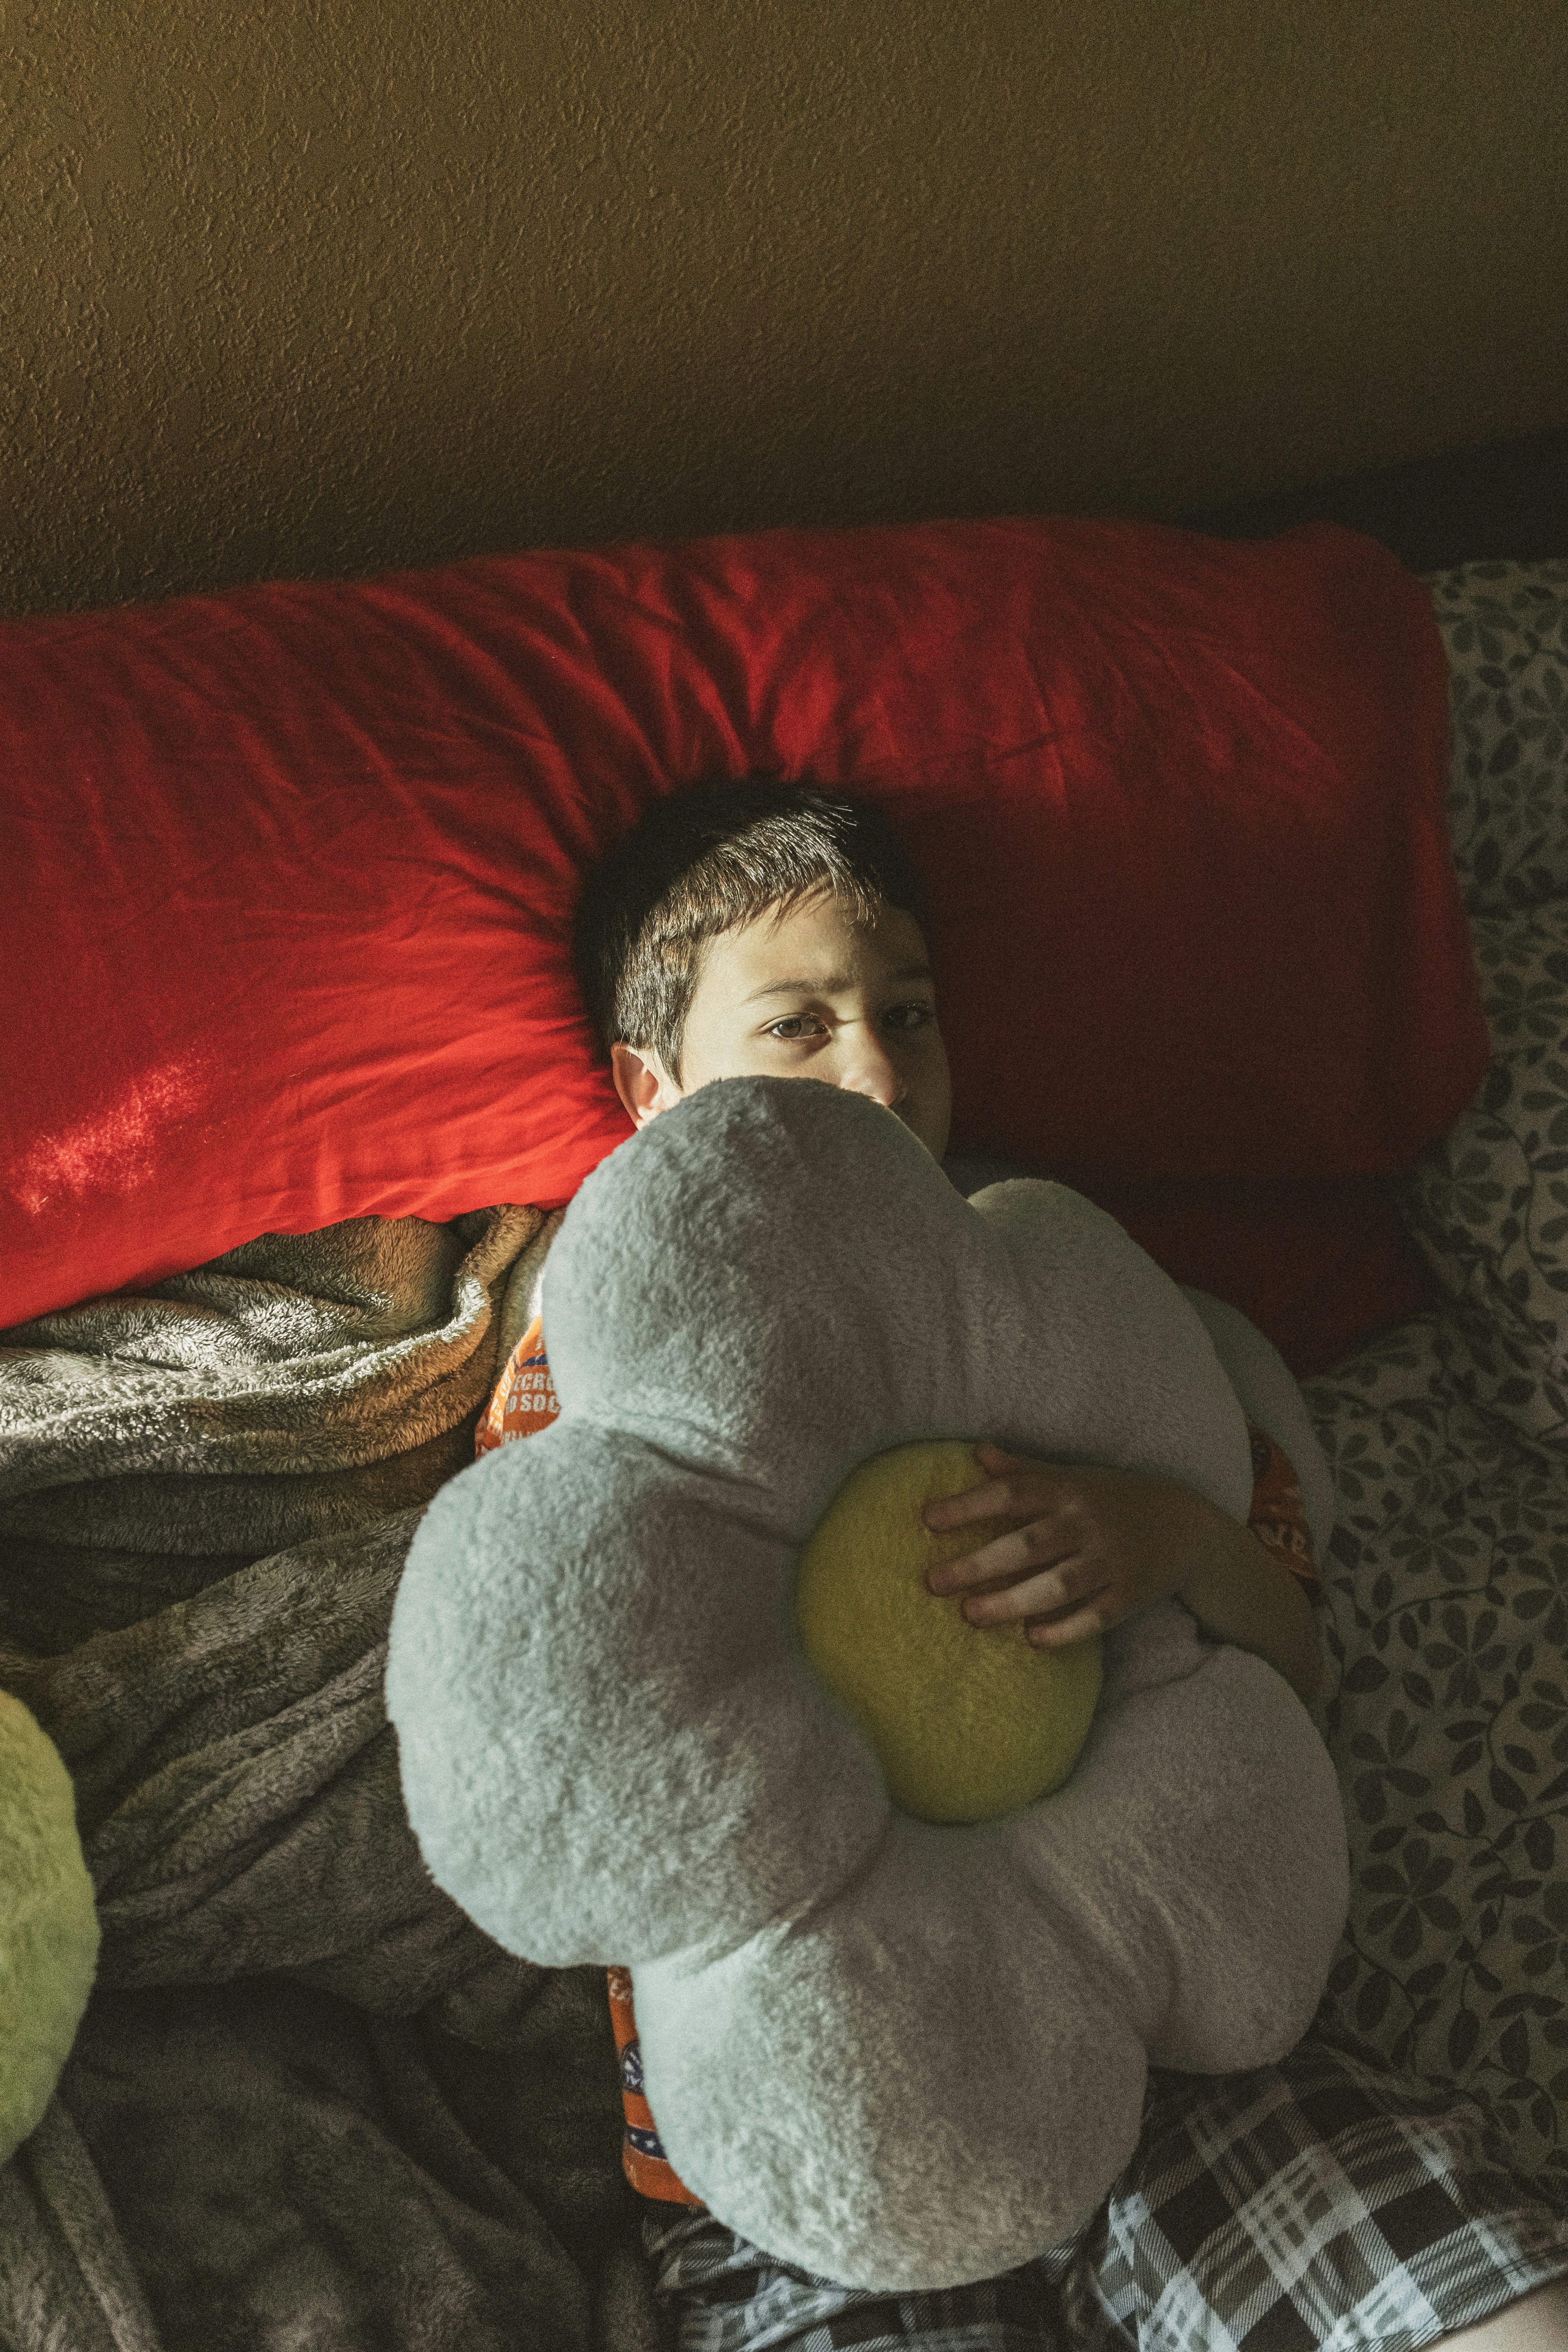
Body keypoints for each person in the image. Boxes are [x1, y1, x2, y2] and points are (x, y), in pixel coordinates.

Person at [480, 779, 1568, 2351]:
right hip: (814, 2143)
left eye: (906, 1014)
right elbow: (546, 1713)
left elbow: (1296, 1676)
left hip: (1165, 2070)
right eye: (796, 1026)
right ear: (653, 1090)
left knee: (1488, 2308)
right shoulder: (592, 1361)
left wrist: (1168, 1536)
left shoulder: (1079, 1303)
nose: (875, 1069)